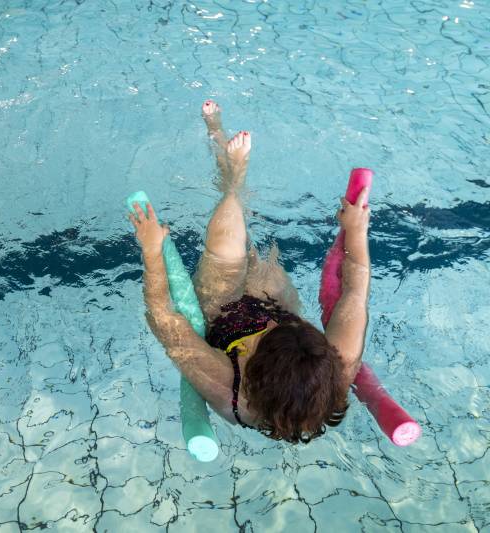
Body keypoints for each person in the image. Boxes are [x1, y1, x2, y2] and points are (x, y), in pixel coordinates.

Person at [129, 99, 371, 444]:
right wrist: (358, 230)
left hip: (223, 315)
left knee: (228, 231)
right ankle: (233, 173)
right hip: (276, 303)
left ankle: (233, 180)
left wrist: (152, 250)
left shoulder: (224, 383)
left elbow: (162, 316)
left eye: (267, 333)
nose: (270, 323)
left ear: (252, 369)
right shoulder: (336, 365)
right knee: (254, 252)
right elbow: (356, 287)